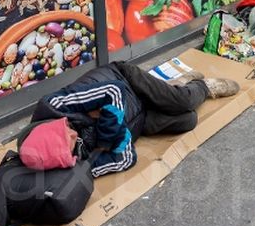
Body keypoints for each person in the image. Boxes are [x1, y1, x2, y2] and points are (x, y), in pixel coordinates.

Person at [27, 61, 240, 177]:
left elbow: (114, 90)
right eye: (71, 142)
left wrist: (106, 142)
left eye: (67, 131)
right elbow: (125, 159)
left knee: (181, 102)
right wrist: (109, 123)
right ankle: (178, 84)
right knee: (188, 120)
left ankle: (203, 87)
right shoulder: (72, 163)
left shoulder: (55, 105)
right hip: (135, 120)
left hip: (126, 81)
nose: (73, 134)